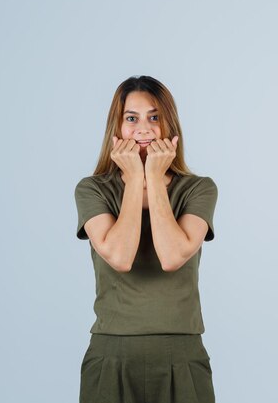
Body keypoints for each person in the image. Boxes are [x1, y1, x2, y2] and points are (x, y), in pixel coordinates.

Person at [74, 75, 218, 403]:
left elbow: (172, 256)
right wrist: (134, 178)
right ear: (117, 127)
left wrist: (151, 176)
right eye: (131, 118)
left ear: (170, 124)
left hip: (181, 355)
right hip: (112, 354)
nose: (144, 128)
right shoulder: (92, 189)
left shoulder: (198, 189)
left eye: (155, 117)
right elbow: (120, 257)